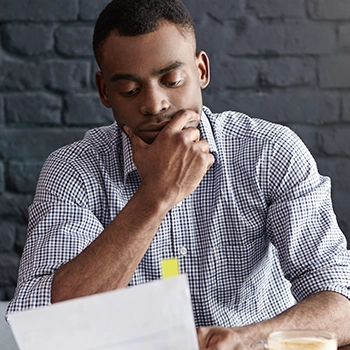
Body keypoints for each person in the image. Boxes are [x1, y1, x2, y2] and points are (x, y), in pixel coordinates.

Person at [6, 0, 350, 348]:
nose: (154, 104)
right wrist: (156, 195)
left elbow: (342, 302)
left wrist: (244, 339)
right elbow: (44, 326)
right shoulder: (74, 170)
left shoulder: (269, 152)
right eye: (129, 89)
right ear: (104, 91)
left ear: (201, 70)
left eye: (171, 80)